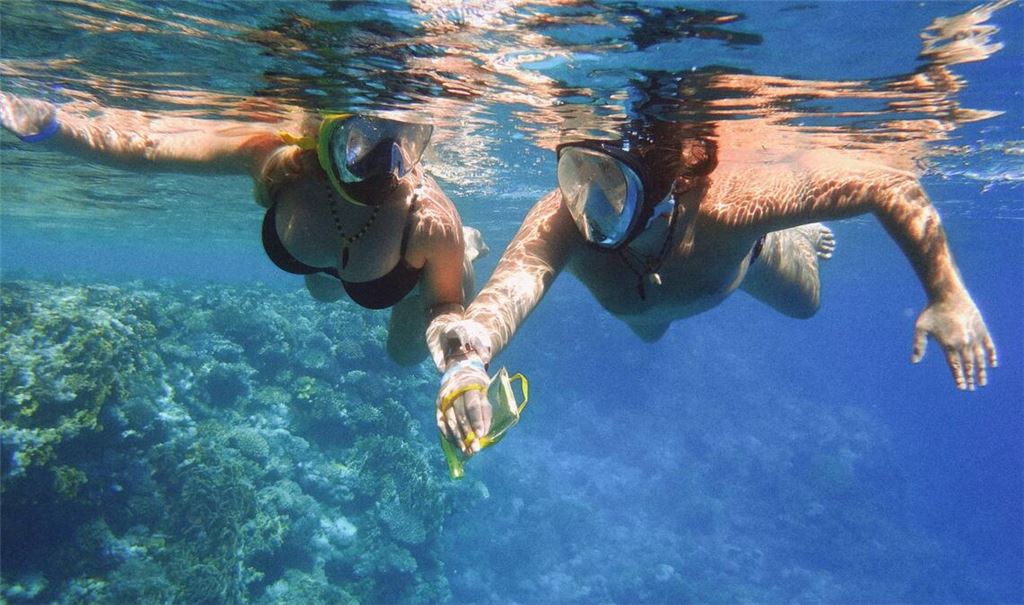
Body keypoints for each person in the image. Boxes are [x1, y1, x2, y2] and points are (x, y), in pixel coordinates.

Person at [431, 118, 998, 456]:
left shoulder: (728, 206)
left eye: (610, 187)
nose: (586, 208)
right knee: (647, 330)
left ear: (667, 187)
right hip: (645, 304)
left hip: (740, 265)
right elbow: (507, 292)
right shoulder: (561, 218)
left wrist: (946, 293)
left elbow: (891, 184)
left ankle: (791, 235)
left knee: (807, 304)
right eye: (575, 177)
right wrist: (466, 362)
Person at [1, 92, 486, 365]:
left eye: (406, 142)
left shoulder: (427, 219)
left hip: (405, 280)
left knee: (403, 358)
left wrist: (461, 366)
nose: (388, 164)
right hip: (337, 268)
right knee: (323, 292)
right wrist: (51, 128)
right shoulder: (279, 163)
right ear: (323, 138)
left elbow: (445, 307)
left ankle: (466, 250)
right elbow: (147, 150)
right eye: (364, 144)